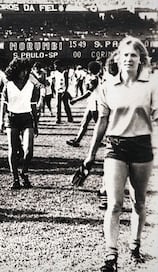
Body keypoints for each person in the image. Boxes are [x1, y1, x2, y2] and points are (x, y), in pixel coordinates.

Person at [83, 36, 158, 271]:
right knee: (114, 204)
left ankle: (135, 245)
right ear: (118, 58)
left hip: (142, 146)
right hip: (115, 147)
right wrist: (91, 153)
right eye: (124, 55)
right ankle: (110, 257)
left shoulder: (150, 86)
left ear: (140, 60)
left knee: (139, 201)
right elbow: (101, 122)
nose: (128, 59)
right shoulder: (107, 87)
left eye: (133, 55)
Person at [3, 58, 40, 189]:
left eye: (26, 70)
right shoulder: (8, 85)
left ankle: (24, 172)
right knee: (13, 149)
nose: (24, 73)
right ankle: (15, 178)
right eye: (21, 70)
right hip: (12, 118)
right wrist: (3, 120)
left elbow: (34, 106)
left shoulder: (32, 85)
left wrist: (36, 123)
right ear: (15, 70)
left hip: (26, 118)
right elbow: (4, 104)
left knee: (28, 150)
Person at [66, 61, 102, 147]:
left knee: (98, 125)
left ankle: (105, 141)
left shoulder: (94, 79)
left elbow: (88, 93)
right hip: (92, 103)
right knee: (85, 123)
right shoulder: (95, 78)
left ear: (90, 69)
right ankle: (77, 140)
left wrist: (76, 99)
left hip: (95, 104)